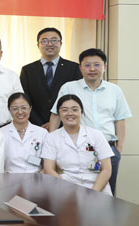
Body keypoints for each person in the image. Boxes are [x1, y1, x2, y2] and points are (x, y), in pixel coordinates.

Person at [49, 48, 131, 194]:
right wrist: (52, 142)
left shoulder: (114, 90)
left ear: (104, 66)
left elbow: (120, 119)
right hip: (76, 149)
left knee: (106, 194)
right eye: (87, 65)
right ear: (80, 67)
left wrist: (118, 149)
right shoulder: (69, 87)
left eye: (97, 65)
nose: (92, 69)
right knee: (72, 193)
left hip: (108, 148)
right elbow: (56, 115)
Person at [43, 94, 113, 195]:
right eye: (64, 110)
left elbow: (106, 169)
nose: (70, 113)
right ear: (59, 113)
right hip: (66, 189)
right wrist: (68, 193)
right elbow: (49, 169)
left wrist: (94, 193)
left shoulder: (96, 135)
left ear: (81, 112)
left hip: (96, 188)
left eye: (74, 109)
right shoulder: (52, 138)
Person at [20, 28, 82, 128]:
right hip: (36, 126)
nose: (49, 44)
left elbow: (77, 98)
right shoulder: (28, 70)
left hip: (65, 125)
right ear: (38, 45)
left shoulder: (74, 68)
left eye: (54, 40)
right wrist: (39, 124)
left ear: (60, 43)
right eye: (44, 41)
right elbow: (24, 99)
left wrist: (55, 122)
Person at [2, 92, 48, 173]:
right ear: (9, 110)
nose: (20, 112)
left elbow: (48, 164)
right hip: (9, 178)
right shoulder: (0, 134)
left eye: (24, 108)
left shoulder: (42, 133)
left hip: (36, 178)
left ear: (30, 108)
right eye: (15, 108)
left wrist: (39, 178)